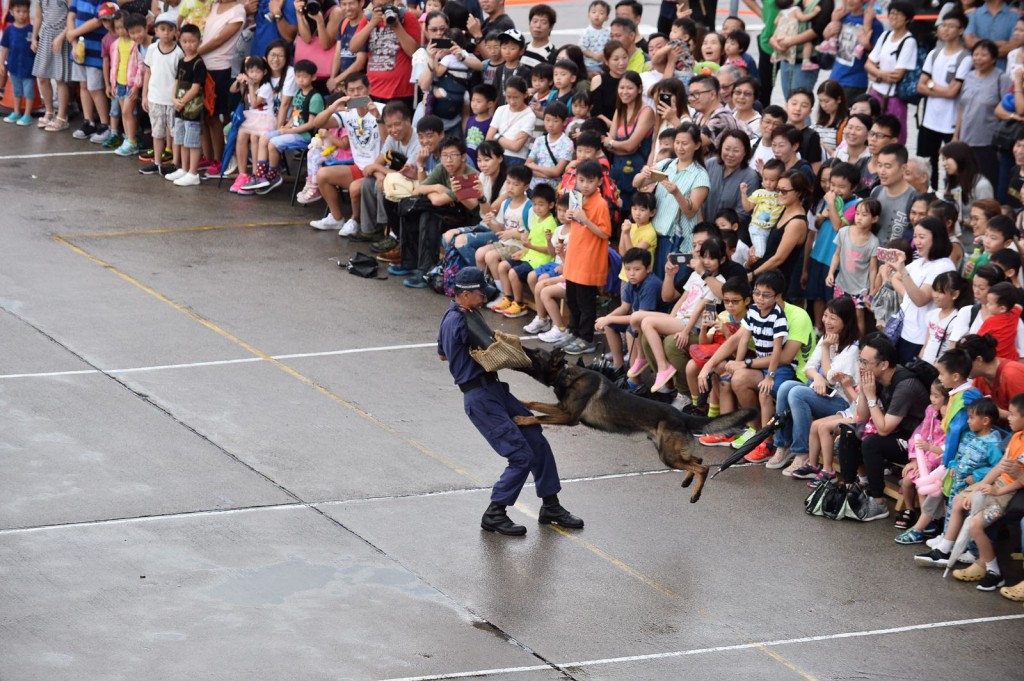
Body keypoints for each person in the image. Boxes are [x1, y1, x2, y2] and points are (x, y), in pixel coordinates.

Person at [437, 266, 583, 536]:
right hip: (480, 398)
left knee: (535, 437)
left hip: (494, 390)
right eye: (480, 292)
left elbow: (443, 355)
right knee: (520, 455)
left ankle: (551, 505)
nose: (484, 297)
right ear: (465, 294)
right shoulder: (461, 321)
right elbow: (496, 352)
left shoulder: (458, 314)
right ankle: (495, 512)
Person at [839, 332, 931, 522]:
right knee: (849, 432)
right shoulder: (877, 377)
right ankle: (850, 489)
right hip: (896, 432)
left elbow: (883, 429)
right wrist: (865, 393)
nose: (861, 367)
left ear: (883, 364)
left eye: (865, 363)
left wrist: (871, 396)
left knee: (872, 443)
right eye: (860, 361)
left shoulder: (906, 386)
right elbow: (862, 417)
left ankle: (878, 502)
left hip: (918, 443)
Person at [914, 397, 1005, 576]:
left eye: (971, 418)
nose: (968, 421)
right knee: (952, 512)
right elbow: (960, 455)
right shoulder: (968, 436)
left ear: (985, 421)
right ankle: (947, 547)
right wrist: (955, 465)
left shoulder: (993, 444)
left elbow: (996, 467)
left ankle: (973, 551)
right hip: (958, 484)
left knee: (970, 517)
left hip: (975, 487)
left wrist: (977, 476)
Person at [770, 295, 860, 471]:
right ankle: (782, 445)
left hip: (843, 402)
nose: (827, 321)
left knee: (797, 393)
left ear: (846, 321)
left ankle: (802, 453)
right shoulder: (829, 336)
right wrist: (817, 377)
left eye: (833, 318)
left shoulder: (852, 348)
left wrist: (825, 349)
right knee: (785, 387)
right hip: (823, 393)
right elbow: (810, 368)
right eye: (826, 315)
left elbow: (831, 375)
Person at [399, 136, 482, 288]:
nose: (448, 160)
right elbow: (417, 190)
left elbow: (437, 201)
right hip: (450, 213)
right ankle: (410, 262)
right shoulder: (442, 169)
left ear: (463, 157)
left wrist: (433, 194)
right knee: (413, 209)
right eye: (445, 155)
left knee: (430, 215)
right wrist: (436, 188)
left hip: (469, 221)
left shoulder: (469, 176)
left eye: (453, 155)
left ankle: (425, 271)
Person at [308, 73, 385, 233]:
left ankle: (354, 221)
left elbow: (389, 141)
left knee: (355, 187)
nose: (356, 94)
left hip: (379, 168)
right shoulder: (346, 113)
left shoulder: (382, 109)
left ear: (369, 89)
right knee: (322, 174)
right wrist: (332, 108)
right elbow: (317, 123)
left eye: (360, 89)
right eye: (351, 90)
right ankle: (336, 218)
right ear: (346, 93)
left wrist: (378, 117)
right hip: (358, 167)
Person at [634, 123, 709, 278]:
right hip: (655, 236)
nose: (680, 147)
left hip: (678, 242)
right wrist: (644, 173)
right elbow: (637, 184)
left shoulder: (700, 175)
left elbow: (691, 212)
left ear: (697, 145)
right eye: (677, 142)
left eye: (685, 143)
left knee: (672, 285)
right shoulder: (666, 164)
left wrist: (677, 193)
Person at [241, 59, 324, 195]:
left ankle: (274, 174)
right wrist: (284, 127)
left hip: (305, 135)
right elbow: (295, 116)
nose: (301, 80)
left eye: (304, 76)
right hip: (293, 130)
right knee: (264, 137)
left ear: (313, 77)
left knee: (273, 143)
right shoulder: (298, 94)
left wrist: (288, 130)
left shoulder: (315, 97)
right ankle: (260, 175)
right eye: (298, 76)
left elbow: (312, 124)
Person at [560, 159, 613, 355]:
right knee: (572, 298)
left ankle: (586, 338)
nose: (584, 185)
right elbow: (575, 223)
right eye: (581, 180)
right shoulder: (576, 198)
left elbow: (605, 233)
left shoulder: (600, 204)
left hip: (589, 261)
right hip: (575, 257)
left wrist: (585, 220)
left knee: (586, 302)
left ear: (599, 181)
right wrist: (569, 218)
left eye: (590, 181)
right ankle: (574, 331)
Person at [917, 12, 971, 190]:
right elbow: (920, 86)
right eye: (943, 25)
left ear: (961, 30)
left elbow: (953, 92)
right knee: (925, 164)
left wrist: (931, 85)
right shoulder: (934, 53)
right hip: (929, 120)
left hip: (951, 123)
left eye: (951, 26)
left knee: (953, 168)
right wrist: (940, 87)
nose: (946, 29)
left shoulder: (965, 58)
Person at [893, 379, 949, 545]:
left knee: (921, 484)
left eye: (936, 396)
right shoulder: (930, 411)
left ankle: (929, 521)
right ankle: (910, 509)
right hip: (924, 456)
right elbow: (920, 435)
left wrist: (928, 455)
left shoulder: (949, 419)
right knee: (907, 480)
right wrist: (916, 460)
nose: (932, 399)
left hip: (938, 460)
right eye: (931, 394)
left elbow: (943, 446)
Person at [596, 247, 663, 372]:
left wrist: (609, 318)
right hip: (638, 320)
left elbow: (640, 316)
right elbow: (624, 307)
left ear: (648, 268)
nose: (631, 273)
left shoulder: (651, 284)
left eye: (637, 269)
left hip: (653, 323)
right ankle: (618, 366)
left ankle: (633, 377)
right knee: (609, 324)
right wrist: (606, 319)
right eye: (628, 269)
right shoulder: (632, 282)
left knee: (630, 331)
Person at [957, 39, 1011, 190]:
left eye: (983, 55)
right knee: (965, 183)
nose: (978, 58)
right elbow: (962, 107)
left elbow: (1007, 107)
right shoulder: (969, 77)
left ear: (993, 59)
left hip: (988, 142)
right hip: (965, 141)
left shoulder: (1002, 78)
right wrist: (956, 136)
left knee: (987, 183)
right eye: (976, 54)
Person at [350, 0, 421, 110]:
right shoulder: (368, 19)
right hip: (373, 90)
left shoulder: (407, 17)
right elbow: (353, 48)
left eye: (387, 5)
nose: (383, 10)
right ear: (372, 5)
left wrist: (396, 25)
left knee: (397, 126)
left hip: (402, 93)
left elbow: (414, 52)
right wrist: (372, 23)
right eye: (379, 7)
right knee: (375, 124)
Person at [827, 198, 881, 333]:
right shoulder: (844, 232)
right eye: (857, 213)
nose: (859, 218)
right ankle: (835, 339)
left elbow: (873, 268)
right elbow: (836, 254)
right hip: (841, 283)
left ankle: (858, 346)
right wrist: (830, 273)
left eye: (864, 215)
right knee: (837, 313)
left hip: (860, 289)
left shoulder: (873, 242)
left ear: (874, 219)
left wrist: (872, 291)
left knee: (859, 317)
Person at [140, 13, 184, 176]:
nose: (166, 33)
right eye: (162, 29)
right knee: (157, 133)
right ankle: (157, 162)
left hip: (172, 100)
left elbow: (179, 78)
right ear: (156, 31)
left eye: (169, 29)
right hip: (155, 99)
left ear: (175, 32)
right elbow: (148, 72)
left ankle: (175, 163)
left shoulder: (179, 53)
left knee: (175, 133)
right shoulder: (152, 49)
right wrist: (145, 95)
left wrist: (178, 99)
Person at [605, 70, 653, 217]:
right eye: (622, 87)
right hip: (618, 171)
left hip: (637, 173)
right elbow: (609, 144)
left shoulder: (646, 112)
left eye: (630, 88)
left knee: (634, 216)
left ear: (639, 89)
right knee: (615, 213)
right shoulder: (620, 110)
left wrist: (614, 144)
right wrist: (621, 146)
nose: (624, 92)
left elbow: (630, 145)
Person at [164, 22, 206, 185]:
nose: (188, 45)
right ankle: (183, 168)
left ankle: (193, 173)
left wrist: (181, 102)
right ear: (180, 41)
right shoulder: (182, 60)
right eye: (185, 41)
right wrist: (174, 99)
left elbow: (196, 88)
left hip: (192, 109)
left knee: (193, 142)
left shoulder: (199, 63)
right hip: (180, 107)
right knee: (180, 139)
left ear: (199, 42)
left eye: (192, 41)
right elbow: (176, 82)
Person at [68, 0, 113, 143]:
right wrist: (74, 43)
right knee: (83, 86)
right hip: (79, 51)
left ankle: (105, 125)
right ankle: (89, 121)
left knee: (95, 88)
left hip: (96, 52)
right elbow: (71, 17)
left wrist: (74, 32)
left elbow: (98, 21)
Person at [826, 0, 883, 103]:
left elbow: (878, 58)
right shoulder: (842, 17)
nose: (850, 1)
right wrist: (828, 30)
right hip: (835, 77)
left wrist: (867, 46)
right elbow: (829, 42)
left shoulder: (874, 24)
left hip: (855, 82)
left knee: (846, 117)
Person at [32, 0, 74, 131]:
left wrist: (61, 37)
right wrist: (34, 38)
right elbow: (39, 17)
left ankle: (62, 117)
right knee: (42, 77)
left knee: (60, 79)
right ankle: (49, 111)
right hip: (45, 36)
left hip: (62, 38)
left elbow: (72, 18)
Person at [703, 130, 759, 228]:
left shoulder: (750, 177)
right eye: (727, 149)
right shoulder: (710, 164)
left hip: (728, 234)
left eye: (736, 151)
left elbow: (742, 214)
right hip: (702, 226)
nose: (730, 154)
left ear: (745, 152)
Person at [871, 143, 916, 244]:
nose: (882, 171)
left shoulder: (913, 199)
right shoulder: (876, 192)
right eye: (879, 165)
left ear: (903, 168)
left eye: (887, 166)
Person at [1, 0, 36, 126]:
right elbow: (5, 47)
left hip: (29, 68)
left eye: (25, 11)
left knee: (29, 92)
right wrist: (1, 63)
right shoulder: (9, 30)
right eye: (18, 11)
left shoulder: (32, 30)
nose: (22, 14)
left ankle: (28, 114)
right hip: (14, 66)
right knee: (17, 91)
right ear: (11, 12)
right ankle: (16, 112)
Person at [581, 0, 611, 77]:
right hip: (590, 64)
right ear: (588, 15)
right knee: (599, 75)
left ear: (607, 18)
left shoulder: (607, 32)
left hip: (604, 62)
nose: (597, 15)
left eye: (601, 13)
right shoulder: (586, 32)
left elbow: (610, 47)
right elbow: (582, 48)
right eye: (593, 12)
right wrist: (594, 56)